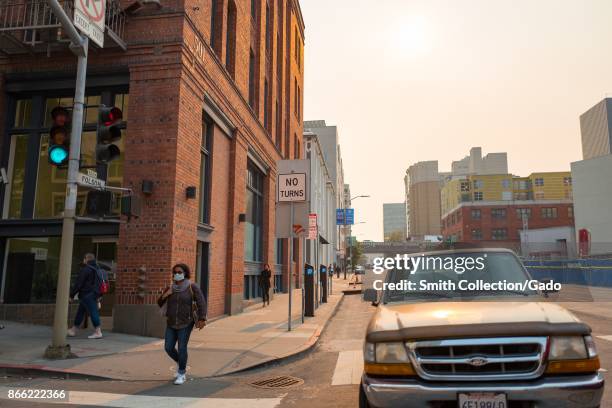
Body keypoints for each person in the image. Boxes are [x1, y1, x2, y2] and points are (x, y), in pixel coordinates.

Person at [158, 263, 207, 385]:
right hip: (171, 322)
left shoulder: (192, 286)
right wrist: (166, 294)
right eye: (175, 272)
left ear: (185, 273)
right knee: (168, 347)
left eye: (179, 272)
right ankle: (181, 363)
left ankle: (181, 373)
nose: (177, 274)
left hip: (186, 322)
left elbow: (201, 302)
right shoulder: (171, 287)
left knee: (182, 347)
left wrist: (202, 318)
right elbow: (159, 302)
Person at [68, 253, 103, 339]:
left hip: (87, 294)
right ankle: (74, 329)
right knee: (81, 311)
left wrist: (71, 295)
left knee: (93, 311)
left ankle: (98, 331)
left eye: (84, 259)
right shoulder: (97, 268)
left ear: (86, 259)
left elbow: (78, 284)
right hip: (93, 294)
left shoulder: (86, 269)